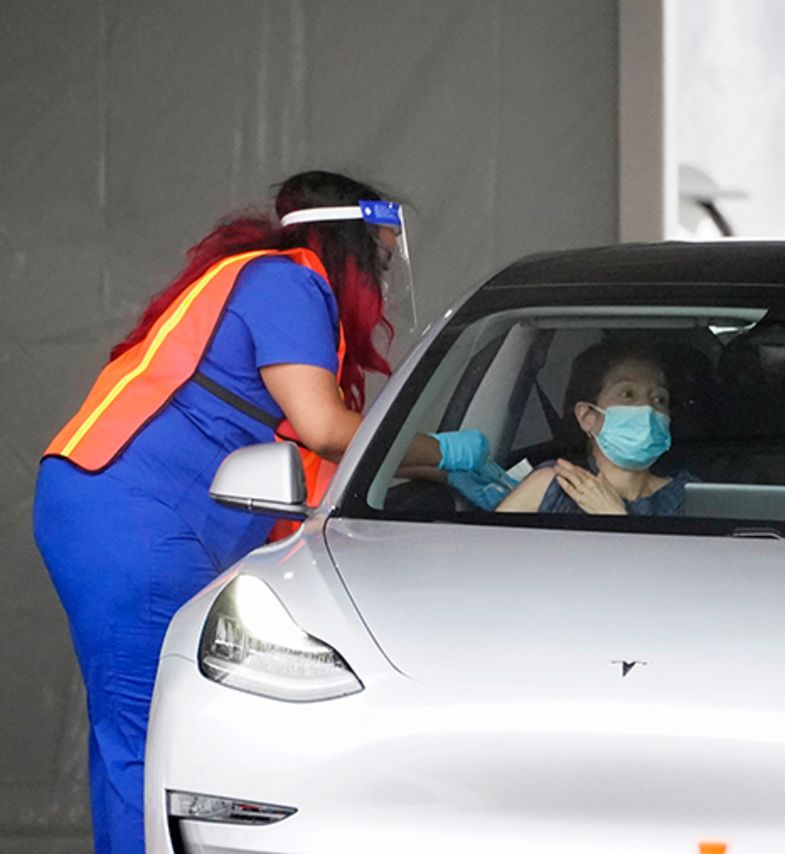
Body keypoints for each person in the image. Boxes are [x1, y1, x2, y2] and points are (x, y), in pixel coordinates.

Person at [31, 171, 491, 854]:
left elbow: (319, 467)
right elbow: (326, 428)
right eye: (383, 259)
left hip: (109, 506)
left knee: (129, 735)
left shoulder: (271, 287)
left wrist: (424, 471)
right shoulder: (287, 281)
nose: (386, 282)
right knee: (151, 739)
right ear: (348, 244)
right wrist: (448, 452)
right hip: (129, 515)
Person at [497, 340, 693, 515]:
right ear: (587, 416)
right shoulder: (553, 486)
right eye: (628, 394)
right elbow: (488, 549)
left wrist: (614, 515)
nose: (647, 408)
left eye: (659, 398)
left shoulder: (689, 497)